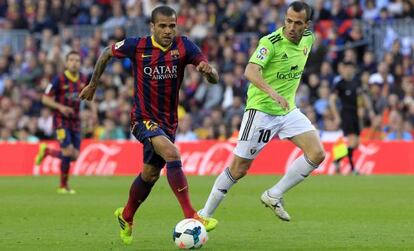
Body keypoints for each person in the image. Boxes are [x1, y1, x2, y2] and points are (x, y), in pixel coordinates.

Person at [79, 5, 219, 245]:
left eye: (172, 26)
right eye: (162, 26)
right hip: (142, 119)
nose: (167, 31)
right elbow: (106, 52)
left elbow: (214, 77)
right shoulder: (137, 45)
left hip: (168, 123)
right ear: (152, 27)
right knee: (173, 153)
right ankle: (192, 216)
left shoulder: (185, 46)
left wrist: (209, 72)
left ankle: (126, 215)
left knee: (150, 174)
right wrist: (93, 84)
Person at [199, 1, 326, 223]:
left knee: (317, 153)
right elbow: (250, 71)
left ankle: (274, 194)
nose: (292, 27)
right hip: (261, 111)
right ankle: (204, 214)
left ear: (307, 25)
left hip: (287, 111)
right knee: (239, 169)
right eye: (288, 21)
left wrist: (283, 98)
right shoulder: (271, 42)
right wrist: (273, 93)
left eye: (298, 23)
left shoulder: (309, 39)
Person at [35, 51, 87, 194]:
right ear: (66, 62)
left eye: (77, 60)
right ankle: (63, 186)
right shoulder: (58, 79)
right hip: (60, 120)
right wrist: (60, 107)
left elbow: (89, 95)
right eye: (71, 60)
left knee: (74, 156)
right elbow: (45, 99)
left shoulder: (83, 78)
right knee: (68, 151)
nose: (74, 62)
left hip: (76, 120)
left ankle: (47, 151)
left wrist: (93, 111)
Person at [329, 61, 374, 175]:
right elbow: (332, 100)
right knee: (352, 141)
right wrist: (337, 116)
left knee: (356, 143)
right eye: (346, 68)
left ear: (353, 69)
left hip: (357, 115)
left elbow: (363, 96)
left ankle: (337, 161)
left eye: (350, 68)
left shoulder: (357, 82)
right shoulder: (340, 84)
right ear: (343, 69)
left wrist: (368, 110)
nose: (348, 70)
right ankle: (353, 169)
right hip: (347, 115)